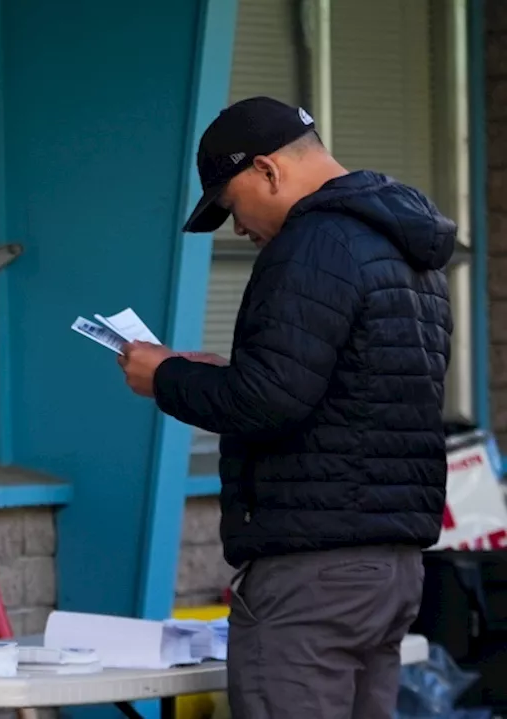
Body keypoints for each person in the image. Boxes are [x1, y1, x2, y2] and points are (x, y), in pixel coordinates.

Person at [117, 96, 454, 718]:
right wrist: (228, 372)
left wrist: (164, 377)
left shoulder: (311, 244)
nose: (239, 228)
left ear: (268, 171)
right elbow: (352, 393)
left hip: (311, 573)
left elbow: (266, 401)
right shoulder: (408, 251)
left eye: (231, 205)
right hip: (391, 569)